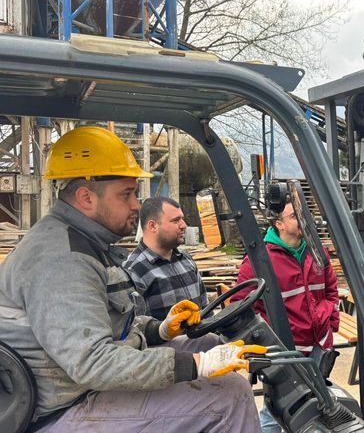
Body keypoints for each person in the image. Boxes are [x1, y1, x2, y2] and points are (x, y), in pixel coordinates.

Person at [0, 126, 265, 432]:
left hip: (78, 387)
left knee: (203, 341)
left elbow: (105, 327)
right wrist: (199, 365)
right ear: (86, 197)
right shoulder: (62, 260)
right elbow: (94, 361)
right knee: (228, 395)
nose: (137, 205)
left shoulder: (86, 243)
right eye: (126, 194)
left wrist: (159, 330)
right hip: (62, 410)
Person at [232, 196, 340, 433]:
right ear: (278, 224)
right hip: (285, 351)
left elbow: (331, 289)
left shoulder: (316, 251)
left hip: (318, 344)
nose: (302, 220)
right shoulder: (260, 259)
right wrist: (267, 340)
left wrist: (330, 319)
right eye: (294, 216)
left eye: (303, 215)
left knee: (319, 406)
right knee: (279, 410)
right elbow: (240, 305)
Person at [123, 196, 208, 320]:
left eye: (182, 219)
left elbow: (206, 309)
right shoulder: (133, 271)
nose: (184, 225)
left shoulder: (186, 260)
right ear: (153, 226)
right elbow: (133, 328)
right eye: (176, 220)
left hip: (202, 337)